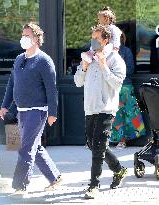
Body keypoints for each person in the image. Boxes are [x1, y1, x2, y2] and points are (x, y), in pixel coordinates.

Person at [0, 22, 62, 195]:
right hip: (22, 111)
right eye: (23, 34)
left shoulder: (44, 61)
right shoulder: (20, 59)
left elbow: (51, 88)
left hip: (38, 111)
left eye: (27, 35)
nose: (23, 38)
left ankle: (20, 186)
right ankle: (55, 177)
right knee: (34, 146)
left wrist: (52, 113)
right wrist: (5, 105)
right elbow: (12, 83)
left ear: (36, 38)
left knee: (25, 148)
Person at [74, 25, 127, 199]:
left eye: (97, 38)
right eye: (92, 37)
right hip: (90, 108)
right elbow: (77, 82)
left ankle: (93, 185)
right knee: (93, 144)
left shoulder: (115, 59)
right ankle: (119, 169)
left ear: (106, 40)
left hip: (106, 109)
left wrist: (104, 66)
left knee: (98, 148)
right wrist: (84, 66)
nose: (93, 41)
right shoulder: (88, 57)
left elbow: (117, 83)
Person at [110, 31, 146, 148]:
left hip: (125, 86)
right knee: (115, 115)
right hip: (111, 86)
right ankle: (119, 139)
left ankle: (124, 140)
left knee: (130, 114)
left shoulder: (126, 51)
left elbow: (130, 69)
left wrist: (115, 75)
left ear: (121, 38)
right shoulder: (107, 52)